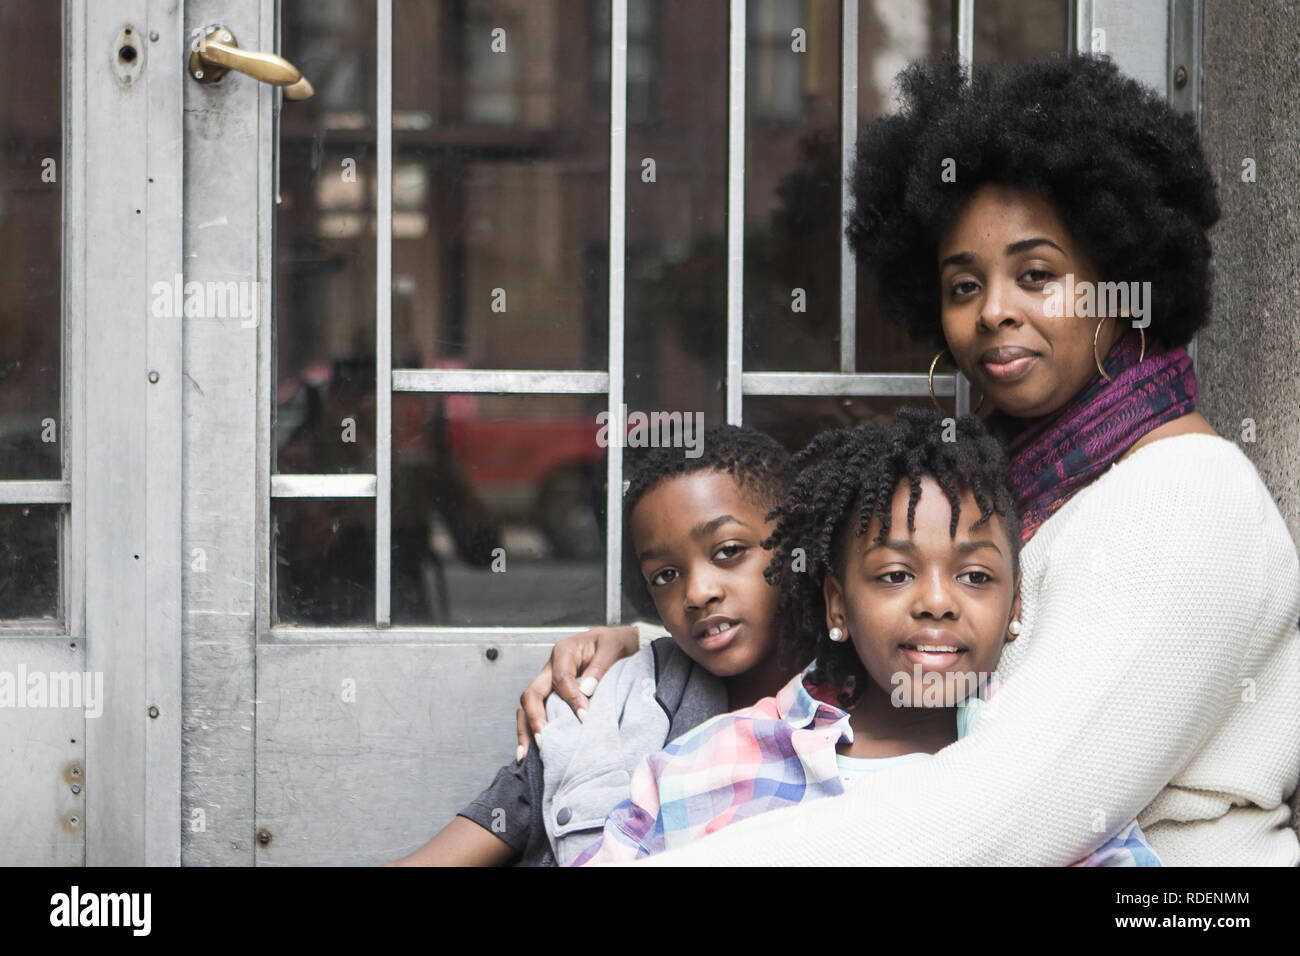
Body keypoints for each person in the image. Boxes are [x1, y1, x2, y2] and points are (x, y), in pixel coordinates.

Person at [524, 52, 1300, 866]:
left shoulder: (1188, 498)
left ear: (1124, 281)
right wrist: (638, 659)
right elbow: (832, 620)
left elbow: (1005, 814)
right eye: (964, 286)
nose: (995, 311)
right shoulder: (1008, 481)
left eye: (1037, 275)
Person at [571, 411, 1158, 866]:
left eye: (975, 576)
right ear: (837, 604)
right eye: (895, 575)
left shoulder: (1051, 774)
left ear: (1015, 605)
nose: (935, 601)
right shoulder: (704, 768)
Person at [386, 425, 803, 865]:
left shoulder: (855, 722)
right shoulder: (608, 704)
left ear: (796, 544)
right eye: (665, 575)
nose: (697, 593)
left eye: (728, 551)